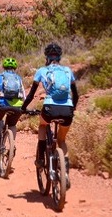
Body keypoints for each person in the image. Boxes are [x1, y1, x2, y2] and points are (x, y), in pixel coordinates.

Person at [21, 43, 78, 184]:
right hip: (67, 110)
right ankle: (65, 172)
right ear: (60, 56)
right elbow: (76, 94)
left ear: (46, 56)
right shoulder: (67, 71)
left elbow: (31, 94)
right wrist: (72, 109)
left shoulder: (41, 71)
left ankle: (40, 158)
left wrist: (23, 107)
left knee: (42, 126)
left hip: (49, 108)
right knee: (62, 140)